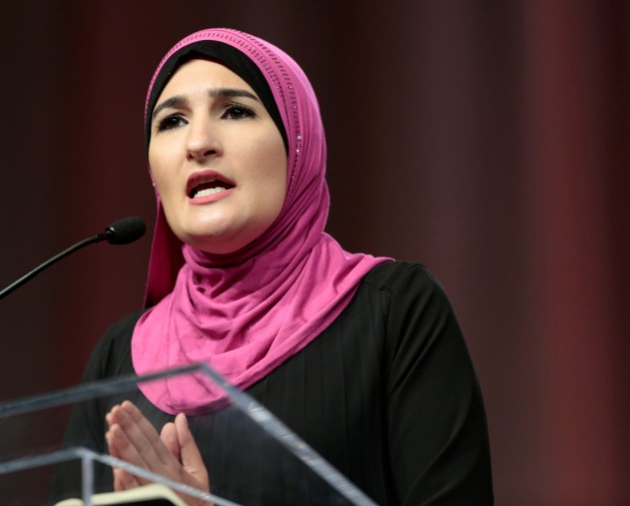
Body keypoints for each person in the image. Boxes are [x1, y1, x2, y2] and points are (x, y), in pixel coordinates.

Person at [50, 28, 493, 505]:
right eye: (172, 121)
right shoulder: (121, 357)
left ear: (298, 144)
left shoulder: (395, 310)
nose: (197, 142)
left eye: (236, 111)